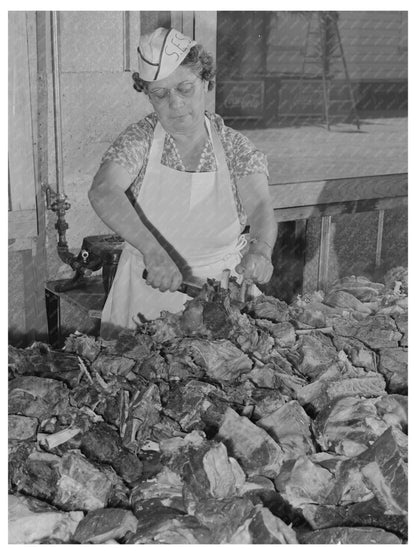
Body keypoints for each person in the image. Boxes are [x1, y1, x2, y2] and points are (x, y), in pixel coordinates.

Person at [89, 27, 277, 336]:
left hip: (222, 300)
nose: (175, 104)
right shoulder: (141, 139)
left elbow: (259, 207)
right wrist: (153, 251)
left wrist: (262, 250)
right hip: (145, 298)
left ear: (205, 80)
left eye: (185, 88)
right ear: (147, 95)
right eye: (160, 94)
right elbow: (103, 191)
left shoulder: (235, 147)